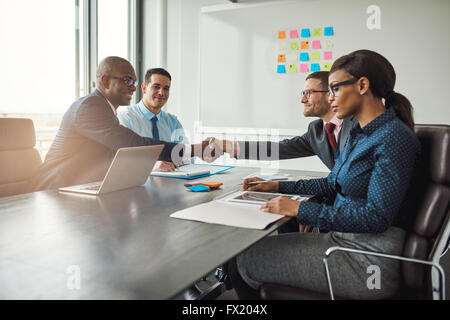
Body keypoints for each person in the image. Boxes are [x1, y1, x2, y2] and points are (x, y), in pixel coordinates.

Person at [228, 49, 421, 299]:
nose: (331, 98)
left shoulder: (392, 137)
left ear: (362, 85)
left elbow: (376, 217)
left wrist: (301, 210)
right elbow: (332, 184)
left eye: (335, 89)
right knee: (248, 252)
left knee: (243, 261)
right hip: (343, 241)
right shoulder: (359, 134)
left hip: (367, 259)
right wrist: (277, 187)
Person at [32, 56, 213, 191]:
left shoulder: (106, 109)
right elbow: (133, 144)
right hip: (54, 190)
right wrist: (195, 149)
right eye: (127, 80)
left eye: (134, 81)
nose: (133, 87)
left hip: (83, 188)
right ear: (105, 81)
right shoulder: (90, 107)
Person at [213, 71, 358, 171]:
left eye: (308, 93)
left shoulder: (358, 124)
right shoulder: (316, 130)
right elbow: (278, 149)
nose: (302, 100)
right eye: (302, 94)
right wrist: (227, 146)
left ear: (329, 95)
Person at [118, 68, 188, 172]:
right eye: (156, 87)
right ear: (144, 88)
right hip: (137, 182)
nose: (161, 92)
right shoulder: (125, 118)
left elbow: (186, 155)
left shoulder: (173, 121)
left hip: (171, 180)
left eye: (166, 88)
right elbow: (121, 159)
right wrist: (150, 165)